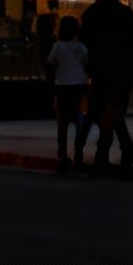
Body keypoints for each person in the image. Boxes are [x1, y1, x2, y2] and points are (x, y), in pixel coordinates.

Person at [79, 0, 133, 169]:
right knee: (115, 109)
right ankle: (120, 148)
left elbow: (84, 40)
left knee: (105, 109)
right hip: (122, 69)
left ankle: (112, 150)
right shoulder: (126, 14)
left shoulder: (92, 13)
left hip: (99, 69)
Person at [47, 15, 89, 172]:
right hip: (79, 85)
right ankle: (79, 153)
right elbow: (86, 62)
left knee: (62, 123)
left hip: (62, 86)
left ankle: (62, 154)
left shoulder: (58, 46)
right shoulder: (80, 47)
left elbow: (51, 61)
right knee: (79, 121)